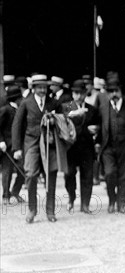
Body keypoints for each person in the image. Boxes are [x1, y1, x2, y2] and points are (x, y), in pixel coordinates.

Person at [12, 74, 63, 223]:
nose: (42, 90)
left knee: (50, 177)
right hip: (32, 145)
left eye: (44, 87)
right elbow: (17, 125)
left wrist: (54, 119)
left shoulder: (53, 102)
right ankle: (32, 209)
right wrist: (17, 148)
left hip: (49, 144)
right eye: (39, 87)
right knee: (31, 174)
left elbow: (64, 114)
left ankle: (50, 211)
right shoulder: (26, 103)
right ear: (33, 89)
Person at [97, 77, 125, 214]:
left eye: (116, 91)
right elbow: (99, 125)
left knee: (124, 176)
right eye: (110, 91)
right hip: (108, 147)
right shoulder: (103, 108)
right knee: (109, 173)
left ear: (121, 91)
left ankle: (121, 203)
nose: (114, 94)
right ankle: (112, 200)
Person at [62, 80, 100, 214]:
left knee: (87, 176)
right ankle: (71, 197)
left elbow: (98, 126)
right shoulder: (66, 108)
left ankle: (85, 204)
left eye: (81, 93)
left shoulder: (92, 109)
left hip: (86, 148)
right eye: (75, 93)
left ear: (85, 93)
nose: (78, 96)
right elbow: (61, 125)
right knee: (69, 174)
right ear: (72, 94)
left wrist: (96, 129)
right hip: (70, 149)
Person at [0, 85, 25, 204]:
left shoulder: (20, 109)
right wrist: (1, 141)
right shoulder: (5, 110)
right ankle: (5, 195)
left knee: (23, 169)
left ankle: (15, 192)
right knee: (7, 170)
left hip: (19, 145)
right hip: (7, 145)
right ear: (16, 98)